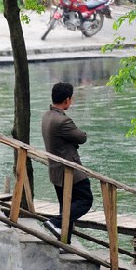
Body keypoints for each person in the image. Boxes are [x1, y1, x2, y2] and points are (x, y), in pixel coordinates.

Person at [41, 82, 94, 240]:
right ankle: (55, 222)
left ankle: (64, 242)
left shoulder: (47, 116)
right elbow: (81, 137)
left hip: (55, 170)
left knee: (67, 205)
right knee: (85, 200)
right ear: (67, 99)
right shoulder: (62, 121)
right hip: (70, 170)